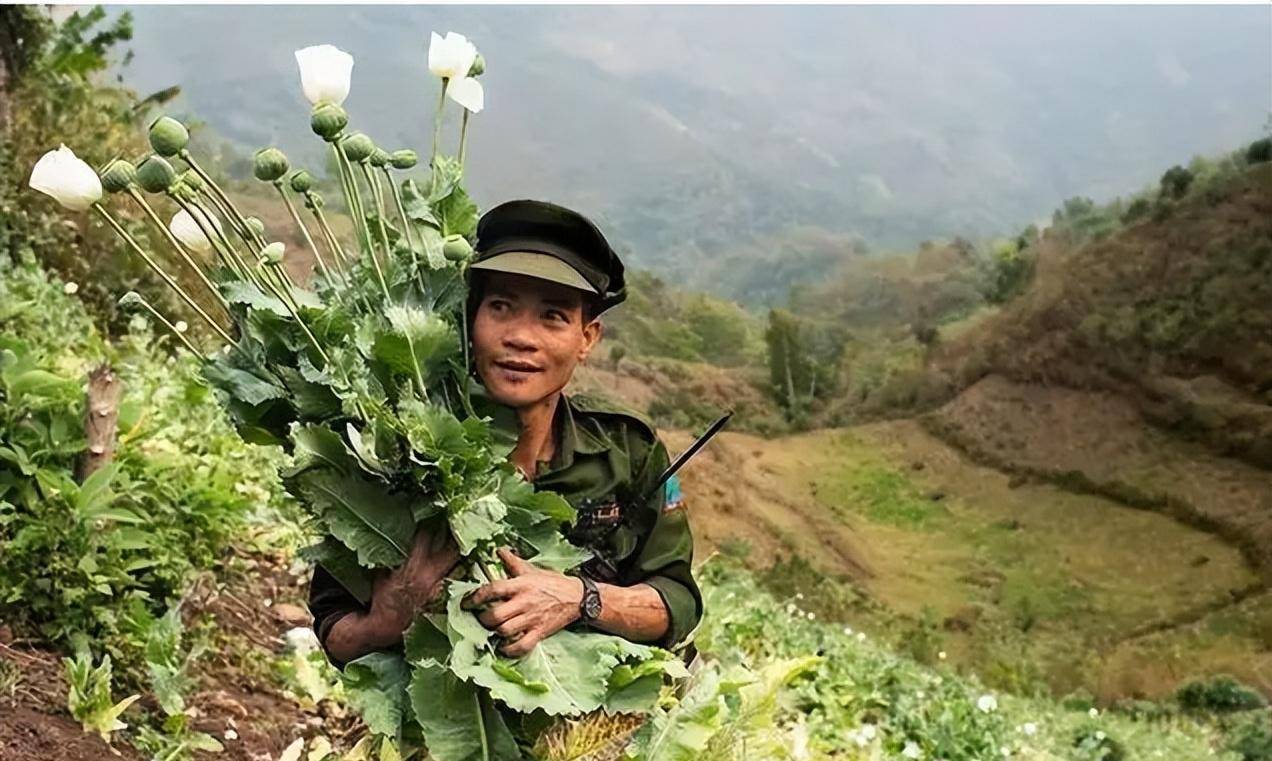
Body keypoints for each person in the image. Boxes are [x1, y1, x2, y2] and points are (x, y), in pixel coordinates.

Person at [307, 199, 702, 667]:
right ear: (470, 322)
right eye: (500, 306)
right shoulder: (401, 455)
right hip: (453, 728)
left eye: (552, 316)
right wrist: (388, 619)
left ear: (587, 338)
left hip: (598, 725)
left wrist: (580, 598)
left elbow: (676, 600)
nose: (521, 336)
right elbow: (335, 631)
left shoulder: (627, 449)